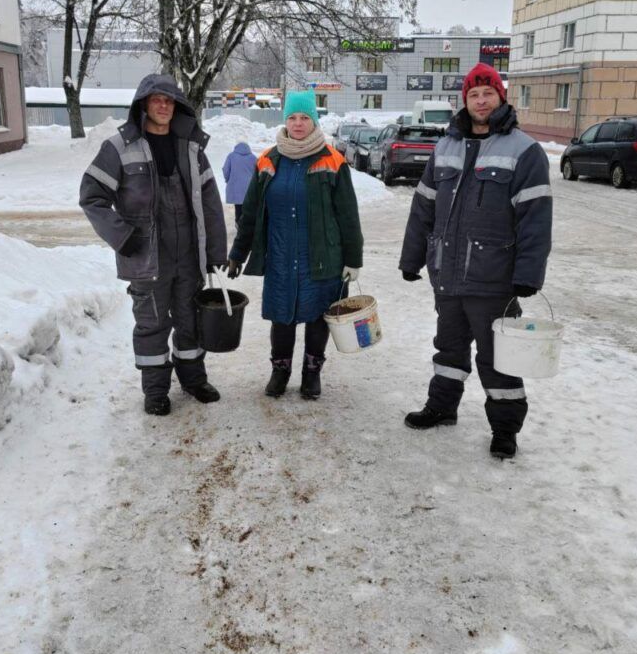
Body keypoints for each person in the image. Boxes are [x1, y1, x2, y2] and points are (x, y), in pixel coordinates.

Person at [399, 63, 552, 459]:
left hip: (494, 279)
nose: (481, 101)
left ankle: (504, 430)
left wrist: (528, 275)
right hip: (447, 275)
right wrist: (412, 257)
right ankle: (442, 407)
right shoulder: (446, 147)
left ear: (501, 97)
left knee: (497, 359)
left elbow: (536, 219)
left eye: (487, 93)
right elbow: (423, 208)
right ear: (464, 100)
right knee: (447, 348)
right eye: (473, 95)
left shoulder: (525, 150)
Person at [80, 74, 228, 416]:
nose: (163, 106)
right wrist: (122, 236)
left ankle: (193, 380)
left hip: (188, 256)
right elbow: (92, 198)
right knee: (153, 324)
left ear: (177, 107)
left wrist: (215, 254)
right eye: (156, 99)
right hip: (147, 259)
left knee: (191, 321)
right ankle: (156, 391)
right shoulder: (118, 148)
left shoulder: (190, 149)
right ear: (143, 104)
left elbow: (210, 204)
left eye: (170, 100)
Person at [227, 91, 363, 400]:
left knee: (318, 317)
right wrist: (238, 253)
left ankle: (311, 374)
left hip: (323, 258)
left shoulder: (332, 159)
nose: (298, 124)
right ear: (285, 120)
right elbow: (250, 213)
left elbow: (348, 215)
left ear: (314, 121)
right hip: (280, 257)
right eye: (292, 117)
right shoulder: (267, 160)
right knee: (282, 317)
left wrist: (353, 259)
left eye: (304, 118)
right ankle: (280, 371)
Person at [222, 141, 256, 222]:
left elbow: (225, 170)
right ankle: (247, 228)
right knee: (248, 210)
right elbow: (257, 173)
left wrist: (228, 180)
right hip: (249, 189)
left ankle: (239, 226)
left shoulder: (231, 156)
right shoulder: (253, 157)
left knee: (238, 209)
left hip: (236, 188)